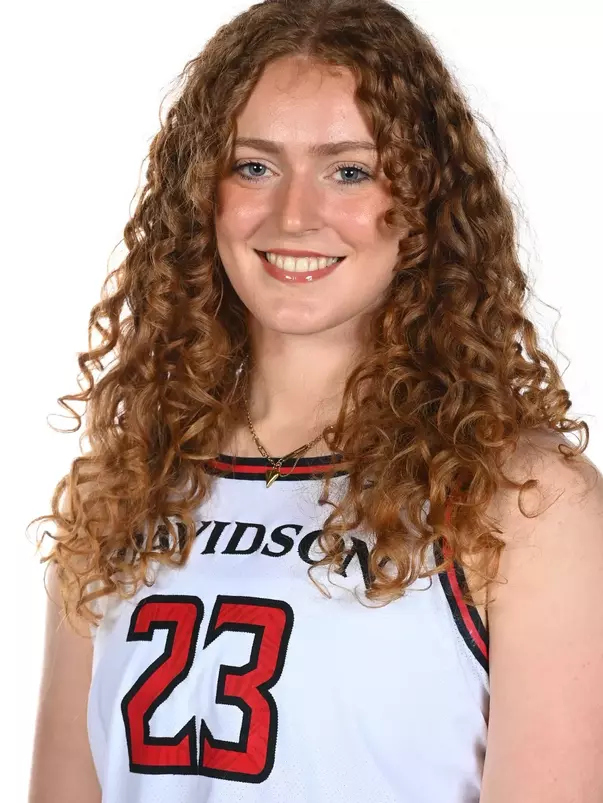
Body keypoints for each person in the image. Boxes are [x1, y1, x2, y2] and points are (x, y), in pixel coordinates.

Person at [27, 1, 603, 802]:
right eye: (253, 166)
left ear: (427, 203)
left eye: (349, 170)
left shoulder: (521, 500)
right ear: (201, 193)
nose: (293, 215)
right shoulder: (119, 488)